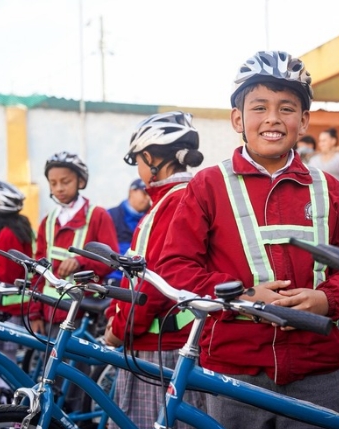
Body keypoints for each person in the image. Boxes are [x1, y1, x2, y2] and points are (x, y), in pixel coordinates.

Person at [157, 50, 339, 429]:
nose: (273, 118)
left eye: (287, 108)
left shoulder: (329, 188)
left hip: (316, 371)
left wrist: (326, 300)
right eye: (259, 107)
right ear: (237, 119)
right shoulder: (208, 185)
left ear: (304, 121)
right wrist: (243, 296)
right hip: (234, 371)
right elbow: (174, 267)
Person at [103, 111, 206, 429]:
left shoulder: (173, 203)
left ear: (149, 158)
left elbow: (152, 282)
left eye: (138, 161)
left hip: (159, 348)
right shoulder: (178, 197)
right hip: (165, 341)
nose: (138, 169)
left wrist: (119, 329)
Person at [28, 151, 119, 414]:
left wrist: (81, 262)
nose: (59, 188)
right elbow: (37, 268)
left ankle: (78, 419)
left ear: (80, 181)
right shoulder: (48, 221)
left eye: (65, 181)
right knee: (50, 377)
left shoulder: (97, 216)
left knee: (76, 379)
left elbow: (112, 259)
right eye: (53, 183)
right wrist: (34, 311)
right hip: (49, 311)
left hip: (81, 313)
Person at [0, 180, 34, 362]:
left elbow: (6, 275)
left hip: (6, 307)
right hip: (14, 306)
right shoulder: (19, 227)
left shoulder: (6, 234)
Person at [105, 178, 150, 285]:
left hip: (142, 280)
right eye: (144, 193)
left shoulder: (153, 218)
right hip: (112, 279)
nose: (148, 198)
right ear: (131, 192)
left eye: (150, 195)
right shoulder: (110, 216)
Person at [307, 128, 339, 194]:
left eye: (324, 141)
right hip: (318, 196)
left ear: (333, 141)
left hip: (336, 196)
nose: (321, 144)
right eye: (320, 141)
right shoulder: (314, 160)